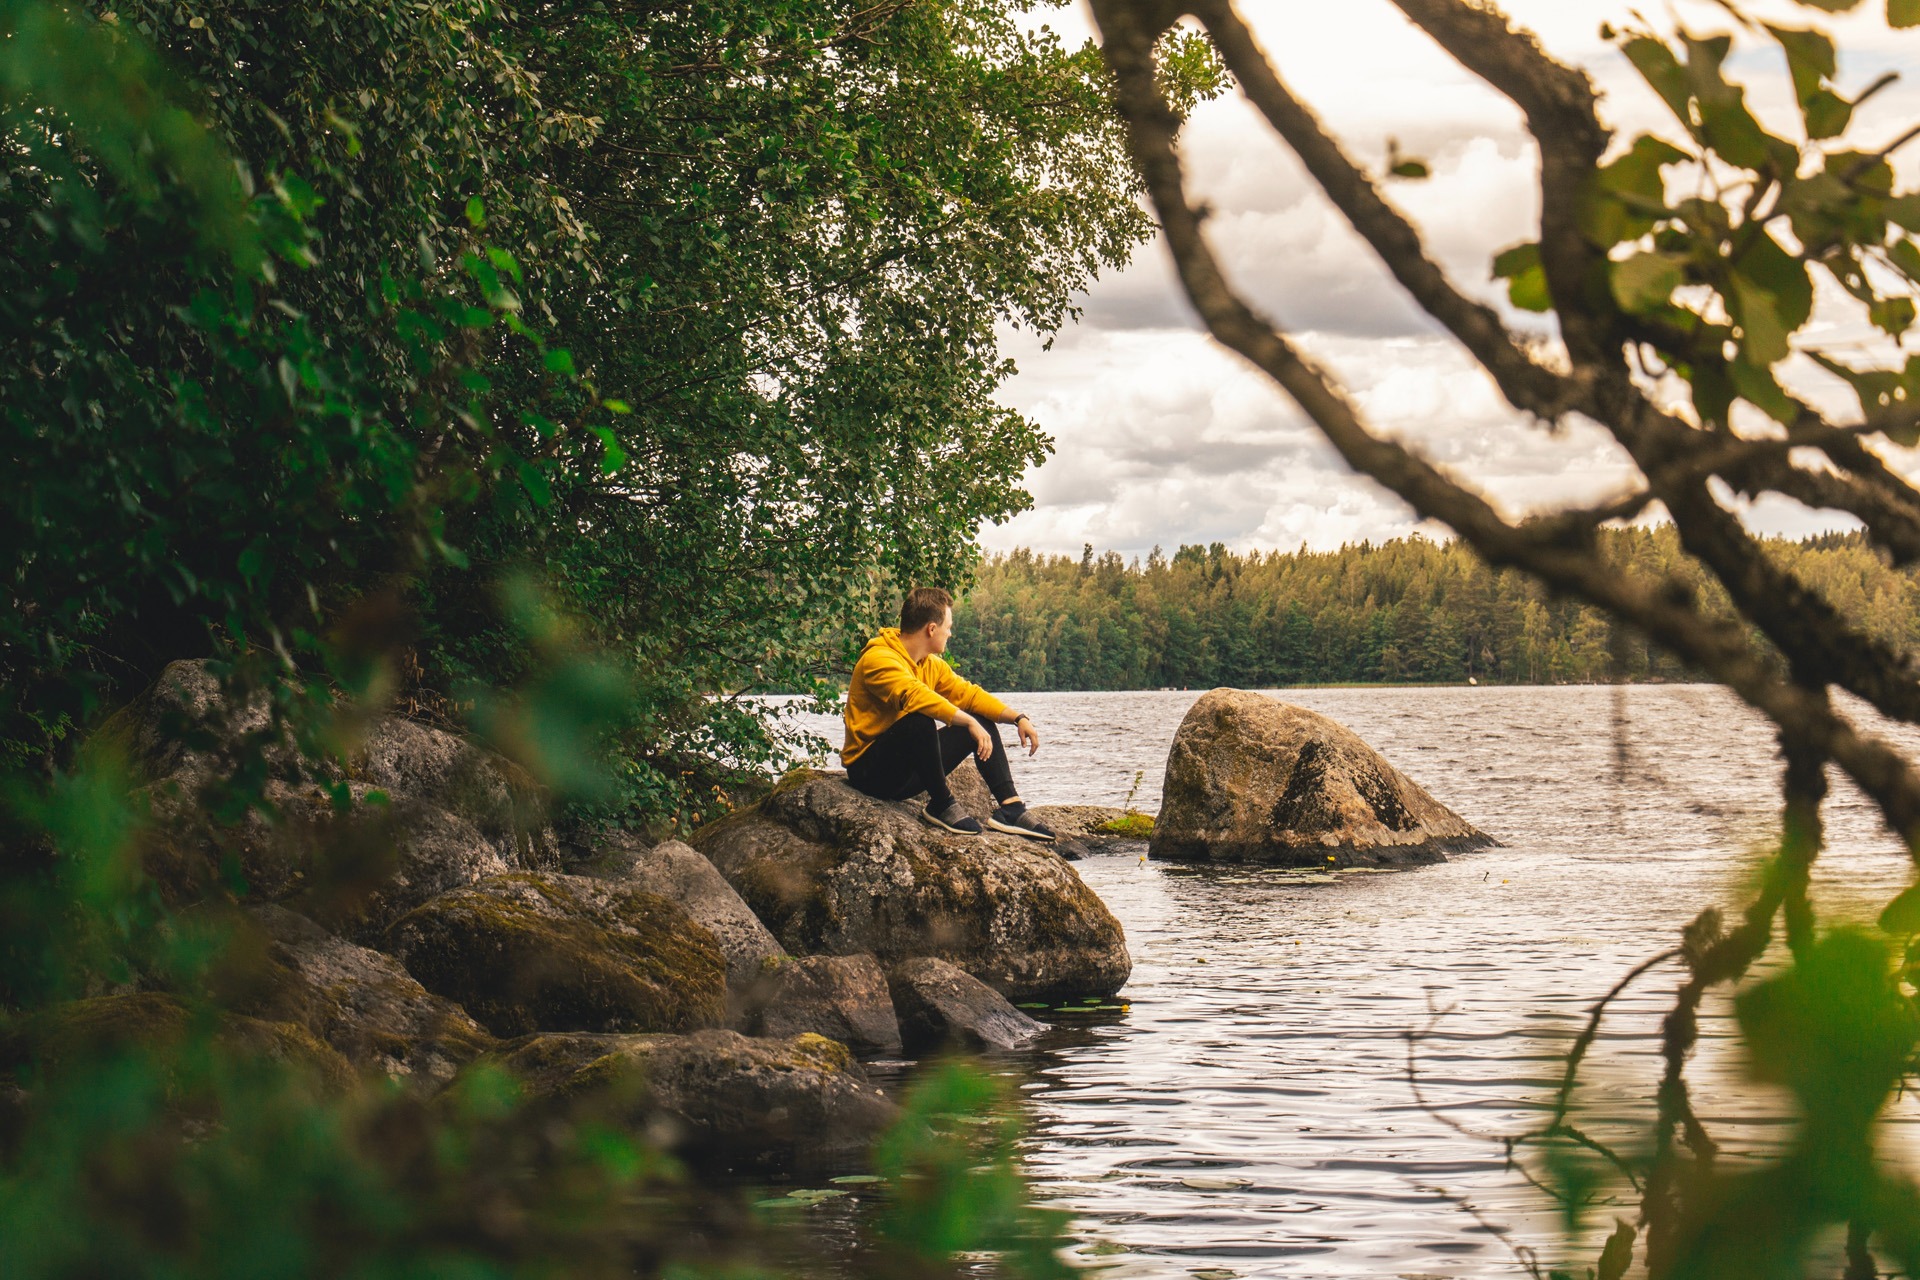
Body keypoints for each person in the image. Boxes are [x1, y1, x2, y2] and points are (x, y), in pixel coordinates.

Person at [841, 587, 1056, 841]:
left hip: (907, 773)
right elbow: (914, 696)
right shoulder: (878, 659)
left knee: (981, 721)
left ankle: (1010, 808)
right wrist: (966, 720)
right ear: (932, 629)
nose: (950, 633)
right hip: (871, 773)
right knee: (919, 721)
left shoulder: (930, 664)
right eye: (949, 626)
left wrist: (1018, 718)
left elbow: (969, 695)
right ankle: (941, 803)